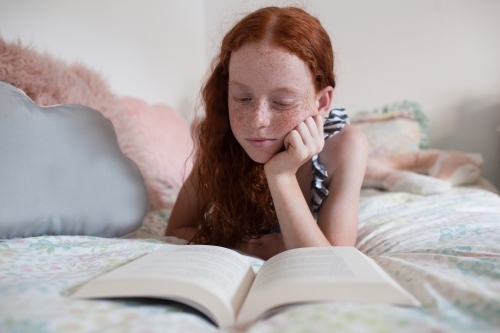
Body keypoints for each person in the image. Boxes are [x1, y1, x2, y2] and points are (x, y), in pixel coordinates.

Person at [165, 6, 368, 260]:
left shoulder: (345, 147)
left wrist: (281, 174)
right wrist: (238, 244)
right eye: (242, 98)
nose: (257, 120)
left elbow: (335, 263)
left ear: (323, 102)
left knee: (379, 171)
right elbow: (177, 229)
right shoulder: (222, 134)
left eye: (282, 102)